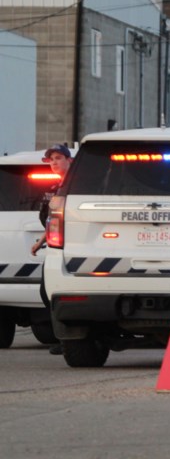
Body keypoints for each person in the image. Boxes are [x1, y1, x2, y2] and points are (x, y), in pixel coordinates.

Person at [31, 144, 72, 354]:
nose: (54, 163)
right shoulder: (57, 187)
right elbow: (53, 219)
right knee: (47, 292)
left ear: (69, 160)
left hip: (70, 246)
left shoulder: (75, 186)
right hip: (56, 244)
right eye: (51, 160)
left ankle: (67, 340)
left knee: (55, 292)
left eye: (58, 158)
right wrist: (41, 241)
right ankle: (64, 339)